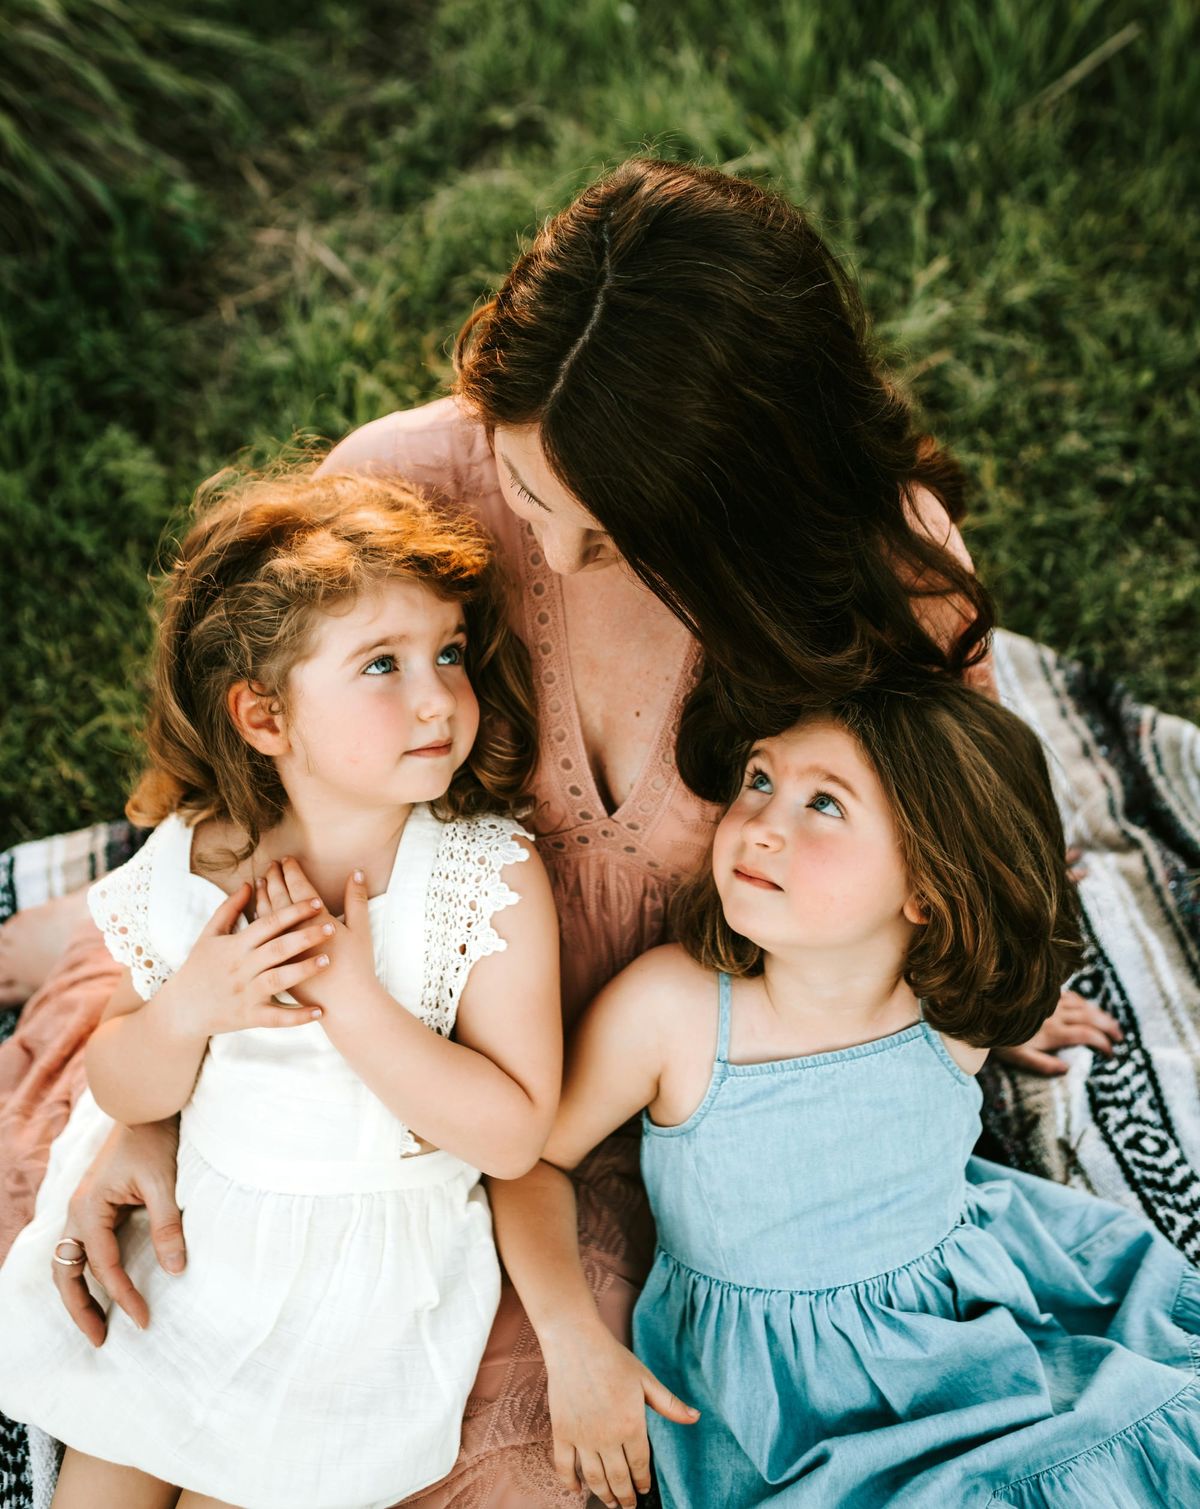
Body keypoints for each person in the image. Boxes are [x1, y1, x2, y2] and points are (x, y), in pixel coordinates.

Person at [0, 159, 1121, 1506]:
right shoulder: (408, 493)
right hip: (366, 1048)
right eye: (535, 501)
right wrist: (152, 1115)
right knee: (178, 1350)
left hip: (601, 1113)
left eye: (617, 533)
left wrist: (967, 979)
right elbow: (262, 799)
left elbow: (949, 809)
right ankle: (65, 932)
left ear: (744, 499)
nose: (559, 552)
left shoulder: (878, 575)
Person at [491, 679, 1200, 1509]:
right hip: (780, 1399)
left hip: (959, 1333)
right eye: (760, 779)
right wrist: (575, 1340)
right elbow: (529, 1160)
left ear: (927, 889)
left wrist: (1011, 1024)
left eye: (823, 804)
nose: (760, 824)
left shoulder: (953, 1018)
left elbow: (990, 978)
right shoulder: (675, 1011)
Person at [0, 468, 562, 1509]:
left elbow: (514, 1132)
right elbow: (121, 1078)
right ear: (265, 716)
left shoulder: (481, 879)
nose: (438, 693)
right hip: (188, 1257)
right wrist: (189, 1009)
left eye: (447, 652)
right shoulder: (201, 861)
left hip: (357, 1299)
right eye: (382, 665)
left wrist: (357, 1004)